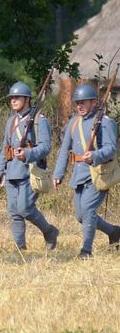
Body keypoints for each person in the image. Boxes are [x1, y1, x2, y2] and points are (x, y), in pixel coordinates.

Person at [53, 83, 120, 258]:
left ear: (94, 102)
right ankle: (114, 232)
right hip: (79, 174)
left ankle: (86, 251)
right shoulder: (74, 123)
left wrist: (95, 155)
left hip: (98, 174)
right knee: (81, 216)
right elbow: (64, 150)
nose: (80, 106)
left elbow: (111, 149)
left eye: (84, 102)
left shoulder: (105, 122)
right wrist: (58, 174)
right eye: (77, 103)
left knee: (88, 210)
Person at [0, 82, 59, 250]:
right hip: (11, 171)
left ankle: (49, 231)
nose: (13, 100)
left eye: (17, 97)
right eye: (11, 98)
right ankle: (20, 248)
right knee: (14, 211)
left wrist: (28, 154)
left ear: (27, 99)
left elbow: (45, 147)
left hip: (30, 171)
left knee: (25, 209)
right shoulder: (11, 121)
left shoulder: (39, 120)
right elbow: (5, 148)